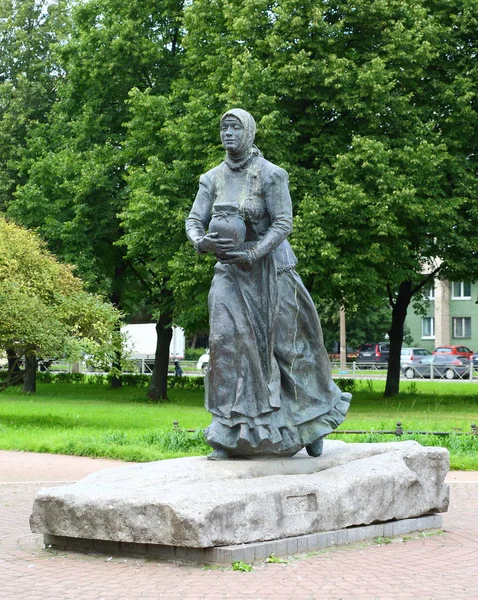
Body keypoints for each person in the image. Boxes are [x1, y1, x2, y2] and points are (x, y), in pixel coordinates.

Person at [186, 108, 350, 460]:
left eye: (235, 127)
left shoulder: (271, 175)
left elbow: (284, 223)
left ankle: (313, 422)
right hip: (230, 272)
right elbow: (193, 221)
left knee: (288, 350)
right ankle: (231, 434)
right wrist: (203, 243)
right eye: (223, 127)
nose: (228, 133)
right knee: (226, 347)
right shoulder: (211, 178)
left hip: (271, 270)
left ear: (248, 132)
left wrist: (255, 252)